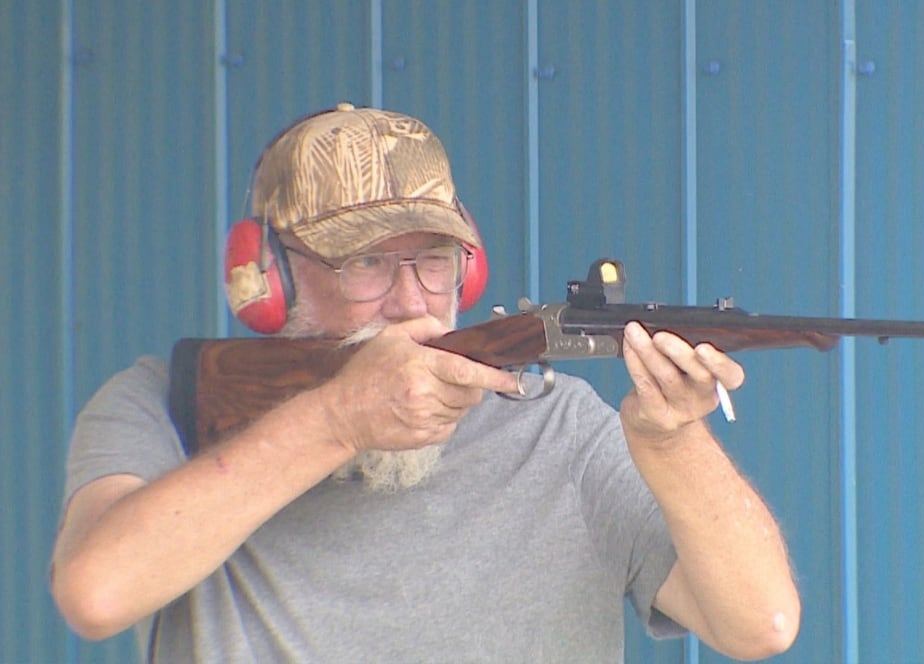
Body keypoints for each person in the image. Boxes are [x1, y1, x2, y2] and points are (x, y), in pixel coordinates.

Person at [50, 103, 800, 662]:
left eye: (434, 259)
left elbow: (759, 625)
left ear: (469, 269)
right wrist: (338, 419)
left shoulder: (560, 423)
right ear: (267, 279)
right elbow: (96, 593)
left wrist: (671, 439)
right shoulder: (165, 403)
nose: (412, 300)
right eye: (366, 262)